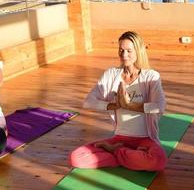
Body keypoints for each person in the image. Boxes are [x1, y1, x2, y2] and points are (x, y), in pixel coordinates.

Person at [70, 31, 167, 171]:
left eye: (129, 51)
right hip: (119, 139)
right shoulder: (111, 74)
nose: (124, 55)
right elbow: (88, 102)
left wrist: (130, 105)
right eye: (121, 50)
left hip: (144, 140)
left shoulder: (150, 76)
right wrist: (113, 105)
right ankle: (127, 156)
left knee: (158, 161)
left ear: (138, 51)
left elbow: (160, 106)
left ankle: (116, 152)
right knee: (76, 157)